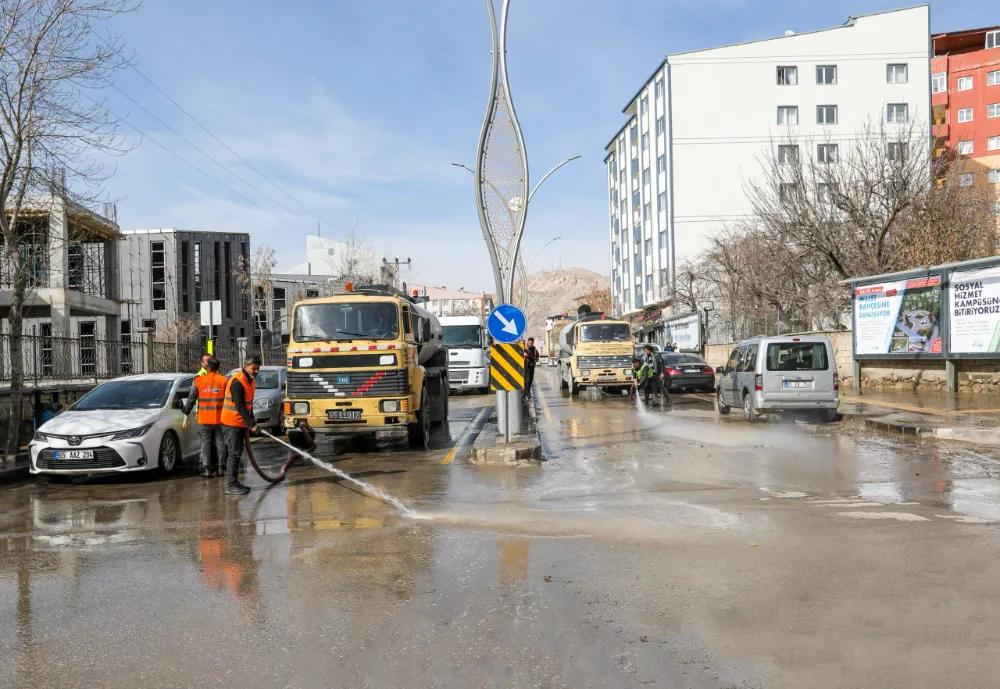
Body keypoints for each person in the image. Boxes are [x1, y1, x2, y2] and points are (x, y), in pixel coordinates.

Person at [221, 354, 262, 495]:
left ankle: (235, 483)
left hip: (240, 422)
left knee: (237, 453)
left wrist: (252, 421)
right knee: (234, 453)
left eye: (258, 369)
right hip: (231, 422)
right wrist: (251, 424)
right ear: (246, 366)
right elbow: (239, 406)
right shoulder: (237, 382)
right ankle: (231, 485)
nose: (256, 371)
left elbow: (248, 405)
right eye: (254, 368)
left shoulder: (250, 380)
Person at [183, 357, 228, 478]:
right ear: (218, 368)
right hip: (220, 418)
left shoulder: (198, 381)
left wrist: (186, 414)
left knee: (205, 443)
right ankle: (220, 468)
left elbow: (191, 399)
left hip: (204, 418)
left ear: (206, 367)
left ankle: (206, 469)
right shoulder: (224, 380)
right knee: (220, 442)